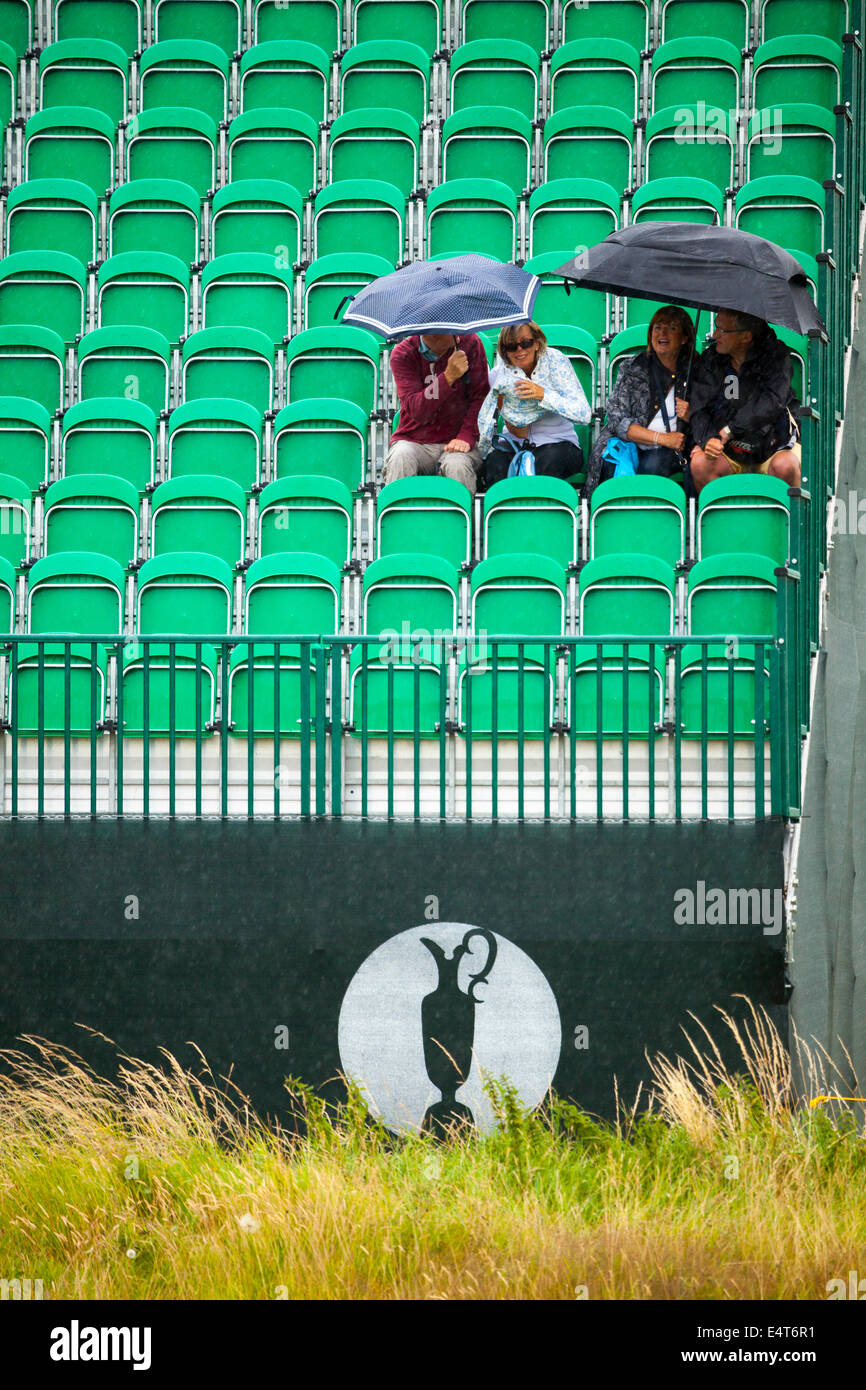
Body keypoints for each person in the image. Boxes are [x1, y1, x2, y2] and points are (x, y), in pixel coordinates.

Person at [586, 305, 696, 497]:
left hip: (675, 449)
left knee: (652, 465)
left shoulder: (697, 371)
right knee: (609, 462)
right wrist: (661, 438)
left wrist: (690, 416)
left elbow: (709, 419)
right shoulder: (633, 367)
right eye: (657, 327)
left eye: (672, 328)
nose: (662, 333)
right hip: (630, 442)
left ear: (685, 338)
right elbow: (616, 418)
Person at [688, 309, 801, 493]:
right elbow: (699, 407)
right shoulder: (711, 359)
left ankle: (790, 521)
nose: (714, 334)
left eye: (722, 330)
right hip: (730, 450)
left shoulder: (776, 356)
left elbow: (772, 403)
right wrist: (707, 439)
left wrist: (729, 430)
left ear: (746, 337)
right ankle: (725, 521)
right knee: (700, 464)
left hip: (774, 443)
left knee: (785, 466)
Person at [477, 321, 591, 488]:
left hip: (558, 443)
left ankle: (539, 513)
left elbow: (584, 415)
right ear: (504, 350)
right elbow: (513, 427)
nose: (519, 350)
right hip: (515, 443)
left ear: (537, 343)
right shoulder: (500, 377)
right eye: (511, 346)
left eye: (525, 343)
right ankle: (506, 513)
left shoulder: (556, 361)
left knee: (544, 464)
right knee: (494, 465)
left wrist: (543, 395)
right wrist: (512, 416)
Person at [383, 331, 490, 496]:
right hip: (414, 439)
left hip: (457, 440)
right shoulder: (403, 354)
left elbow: (481, 398)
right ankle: (399, 520)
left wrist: (466, 436)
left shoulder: (470, 343)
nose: (458, 336)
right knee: (400, 457)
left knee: (457, 466)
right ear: (430, 334)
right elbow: (417, 411)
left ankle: (464, 521)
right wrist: (448, 377)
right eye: (450, 331)